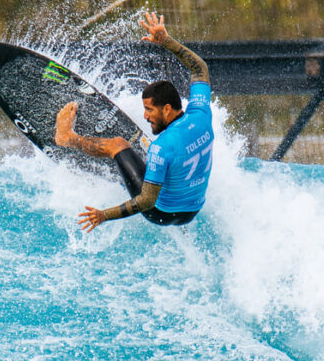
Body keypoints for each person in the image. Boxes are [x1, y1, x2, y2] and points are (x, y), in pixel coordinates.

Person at [54, 12, 213, 232]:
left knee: (118, 144)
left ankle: (67, 137)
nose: (145, 116)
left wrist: (104, 215)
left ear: (167, 109)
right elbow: (200, 68)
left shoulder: (162, 147)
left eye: (149, 110)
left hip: (160, 214)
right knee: (157, 161)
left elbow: (147, 202)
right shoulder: (202, 114)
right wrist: (166, 41)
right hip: (192, 211)